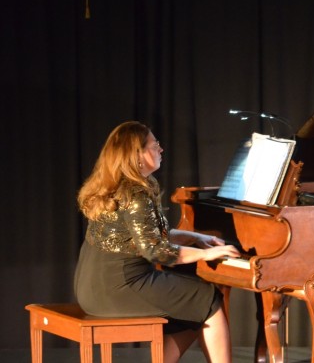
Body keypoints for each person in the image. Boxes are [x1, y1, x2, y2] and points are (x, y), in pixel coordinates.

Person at [74, 121, 240, 363]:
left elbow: (145, 235)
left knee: (191, 308)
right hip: (120, 286)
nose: (161, 149)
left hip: (92, 286)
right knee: (207, 299)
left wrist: (196, 238)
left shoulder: (117, 185)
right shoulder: (136, 193)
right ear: (137, 154)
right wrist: (206, 254)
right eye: (155, 145)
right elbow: (157, 252)